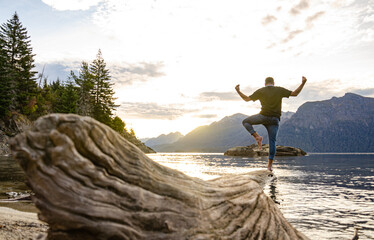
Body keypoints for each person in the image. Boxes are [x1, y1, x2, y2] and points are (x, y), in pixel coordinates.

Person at [235, 76, 307, 171]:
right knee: (272, 142)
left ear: (265, 84)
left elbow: (247, 99)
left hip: (263, 116)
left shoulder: (261, 90)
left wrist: (238, 91)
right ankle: (269, 166)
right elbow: (295, 93)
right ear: (274, 83)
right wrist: (303, 83)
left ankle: (257, 136)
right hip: (274, 120)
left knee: (246, 122)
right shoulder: (279, 90)